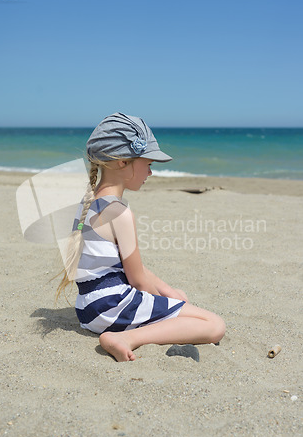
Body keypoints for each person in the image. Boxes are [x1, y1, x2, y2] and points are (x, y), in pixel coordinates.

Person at [56, 112, 225, 362]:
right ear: (123, 162)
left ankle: (129, 330)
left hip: (88, 309)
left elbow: (129, 267)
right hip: (112, 307)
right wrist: (164, 304)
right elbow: (137, 281)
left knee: (180, 306)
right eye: (148, 164)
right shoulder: (120, 212)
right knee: (213, 324)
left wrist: (168, 291)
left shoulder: (88, 203)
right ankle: (126, 338)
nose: (150, 173)